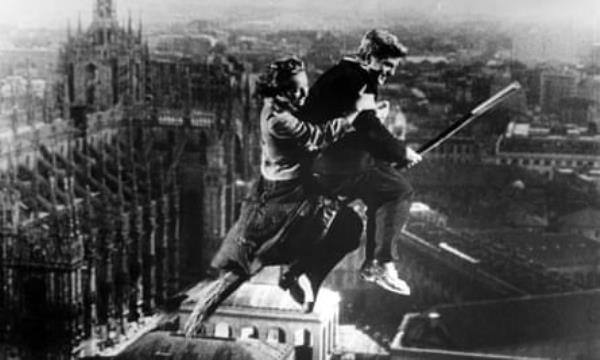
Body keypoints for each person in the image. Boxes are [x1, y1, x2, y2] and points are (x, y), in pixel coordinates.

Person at [209, 57, 373, 312]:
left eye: (304, 87)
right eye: (294, 89)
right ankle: (297, 273)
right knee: (347, 226)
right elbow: (318, 135)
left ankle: (297, 273)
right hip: (290, 190)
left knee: (347, 225)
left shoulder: (279, 109)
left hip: (291, 183)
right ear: (279, 90)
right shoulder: (278, 120)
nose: (302, 94)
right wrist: (356, 111)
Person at [298, 29, 422, 295]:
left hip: (317, 162)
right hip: (340, 165)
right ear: (371, 57)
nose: (389, 73)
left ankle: (364, 262)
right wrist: (402, 153)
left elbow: (349, 117)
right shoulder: (363, 79)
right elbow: (367, 127)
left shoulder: (341, 73)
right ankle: (381, 263)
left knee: (376, 193)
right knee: (398, 191)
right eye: (387, 65)